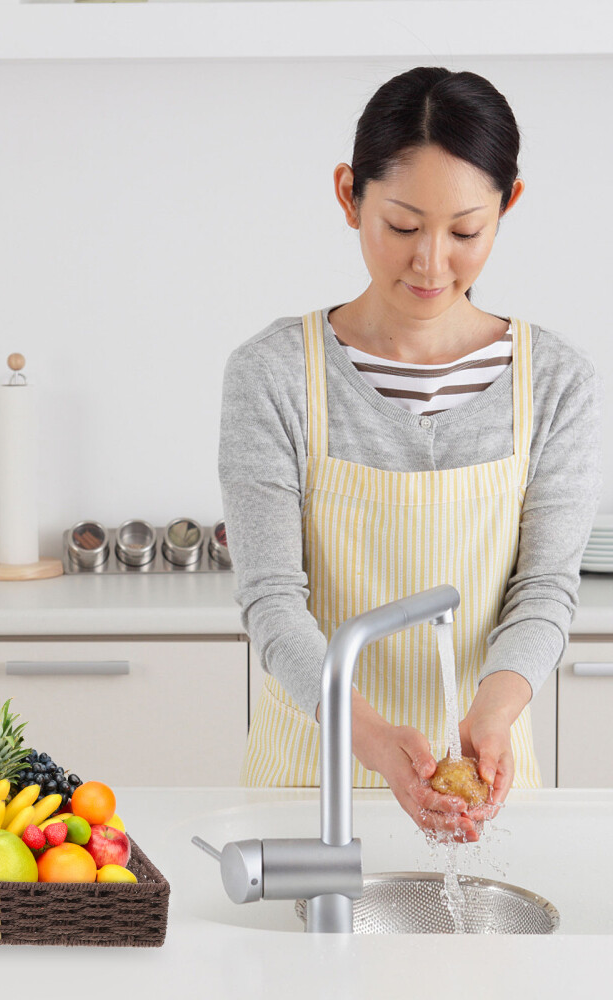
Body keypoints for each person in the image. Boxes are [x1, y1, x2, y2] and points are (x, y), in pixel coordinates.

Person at [219, 67, 602, 843]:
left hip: (485, 787)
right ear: (348, 195)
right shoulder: (274, 373)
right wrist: (371, 741)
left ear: (509, 207)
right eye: (401, 226)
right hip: (310, 777)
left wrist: (493, 711)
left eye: (465, 232)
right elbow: (271, 601)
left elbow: (544, 592)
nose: (431, 263)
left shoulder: (556, 382)